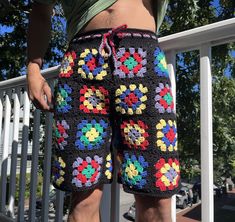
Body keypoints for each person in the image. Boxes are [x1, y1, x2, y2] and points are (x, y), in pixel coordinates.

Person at [27, 0, 181, 222]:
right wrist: (33, 67)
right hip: (82, 63)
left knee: (155, 192)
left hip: (144, 58)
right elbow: (41, 9)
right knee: (83, 195)